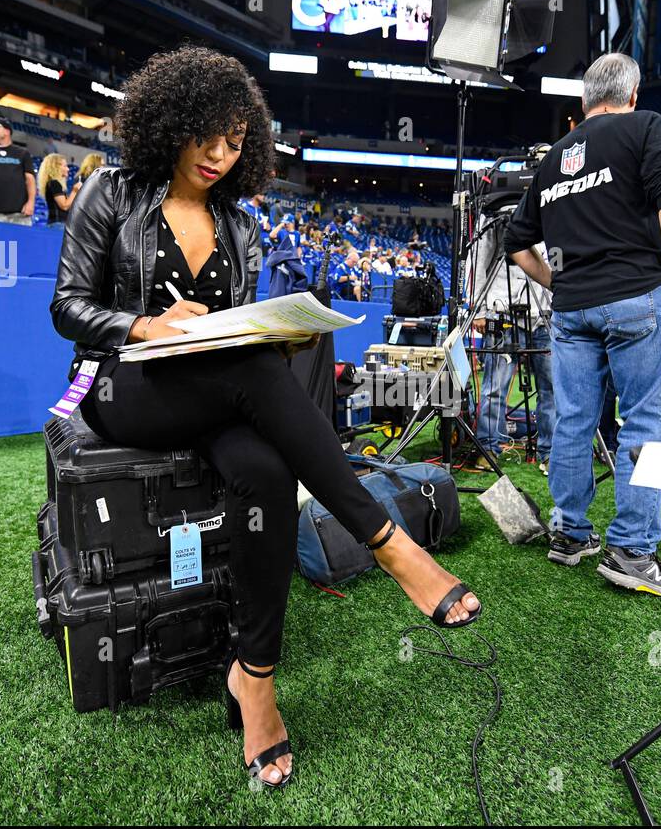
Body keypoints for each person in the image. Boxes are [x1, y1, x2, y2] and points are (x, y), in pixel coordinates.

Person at [51, 45, 480, 789]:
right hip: (122, 386)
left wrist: (283, 334)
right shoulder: (114, 194)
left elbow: (235, 340)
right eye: (207, 138)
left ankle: (254, 679)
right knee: (248, 373)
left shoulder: (241, 228)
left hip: (209, 391)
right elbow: (67, 307)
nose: (221, 156)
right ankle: (388, 542)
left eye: (237, 143)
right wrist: (142, 326)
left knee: (265, 470)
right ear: (171, 125)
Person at [503, 52, 661, 598]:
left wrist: (558, 284)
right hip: (637, 296)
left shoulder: (553, 159)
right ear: (632, 95)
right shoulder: (646, 127)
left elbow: (516, 243)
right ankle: (633, 552)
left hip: (572, 310)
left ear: (585, 101)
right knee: (643, 423)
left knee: (572, 421)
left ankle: (569, 535)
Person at [472, 219, 557, 476]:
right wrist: (478, 308)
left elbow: (560, 261)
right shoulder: (494, 215)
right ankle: (488, 448)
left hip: (545, 315)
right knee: (494, 387)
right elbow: (479, 258)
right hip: (502, 313)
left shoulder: (557, 203)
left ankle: (551, 452)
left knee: (551, 389)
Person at [38, 153, 76, 228]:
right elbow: (64, 206)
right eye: (65, 166)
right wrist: (75, 191)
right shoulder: (54, 183)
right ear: (55, 167)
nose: (68, 169)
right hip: (58, 224)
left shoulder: (52, 183)